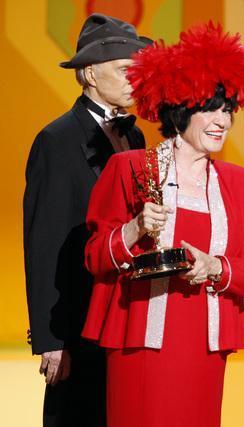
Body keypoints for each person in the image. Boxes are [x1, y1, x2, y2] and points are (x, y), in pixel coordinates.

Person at [79, 23, 244, 427]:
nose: (223, 121)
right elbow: (94, 257)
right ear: (180, 110)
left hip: (205, 348)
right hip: (140, 344)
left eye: (228, 109)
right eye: (210, 109)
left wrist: (215, 267)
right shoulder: (129, 169)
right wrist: (134, 229)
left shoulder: (242, 184)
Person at [23, 13, 148, 426]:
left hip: (123, 316)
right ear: (90, 73)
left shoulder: (136, 136)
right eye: (123, 70)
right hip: (76, 319)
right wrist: (50, 339)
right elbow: (43, 245)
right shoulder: (56, 141)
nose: (134, 79)